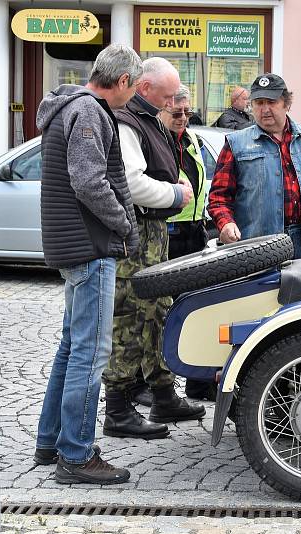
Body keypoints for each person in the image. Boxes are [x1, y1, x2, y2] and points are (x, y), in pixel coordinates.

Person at [34, 44, 142, 484]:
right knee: (90, 353)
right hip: (91, 247)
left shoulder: (66, 108)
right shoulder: (91, 112)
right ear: (121, 82)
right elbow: (89, 181)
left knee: (70, 346)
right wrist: (123, 225)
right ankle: (76, 456)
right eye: (133, 87)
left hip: (72, 246)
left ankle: (50, 439)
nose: (133, 96)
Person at [102, 57, 206, 440]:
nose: (172, 102)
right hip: (137, 234)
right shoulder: (128, 121)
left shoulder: (148, 119)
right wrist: (174, 193)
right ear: (144, 89)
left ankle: (163, 393)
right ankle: (117, 409)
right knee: (130, 317)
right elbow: (130, 183)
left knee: (158, 313)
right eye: (167, 95)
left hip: (154, 232)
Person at [208, 73, 301, 259]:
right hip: (258, 247)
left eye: (271, 102)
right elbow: (218, 197)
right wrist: (226, 223)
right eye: (259, 103)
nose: (265, 109)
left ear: (287, 104)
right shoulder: (237, 143)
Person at [159, 84, 216, 401]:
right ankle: (157, 386)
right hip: (168, 234)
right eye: (176, 112)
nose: (183, 118)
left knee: (197, 306)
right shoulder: (156, 140)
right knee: (163, 312)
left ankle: (196, 381)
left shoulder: (191, 139)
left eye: (186, 112)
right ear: (163, 110)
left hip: (195, 231)